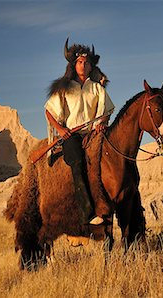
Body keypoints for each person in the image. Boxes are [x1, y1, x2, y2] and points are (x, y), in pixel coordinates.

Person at [44, 38, 115, 225]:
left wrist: (102, 123)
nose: (83, 66)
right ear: (74, 65)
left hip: (94, 133)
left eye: (86, 63)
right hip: (72, 134)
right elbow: (49, 111)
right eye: (80, 63)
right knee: (77, 162)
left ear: (91, 67)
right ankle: (87, 212)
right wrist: (61, 130)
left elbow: (106, 111)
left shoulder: (97, 88)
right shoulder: (64, 88)